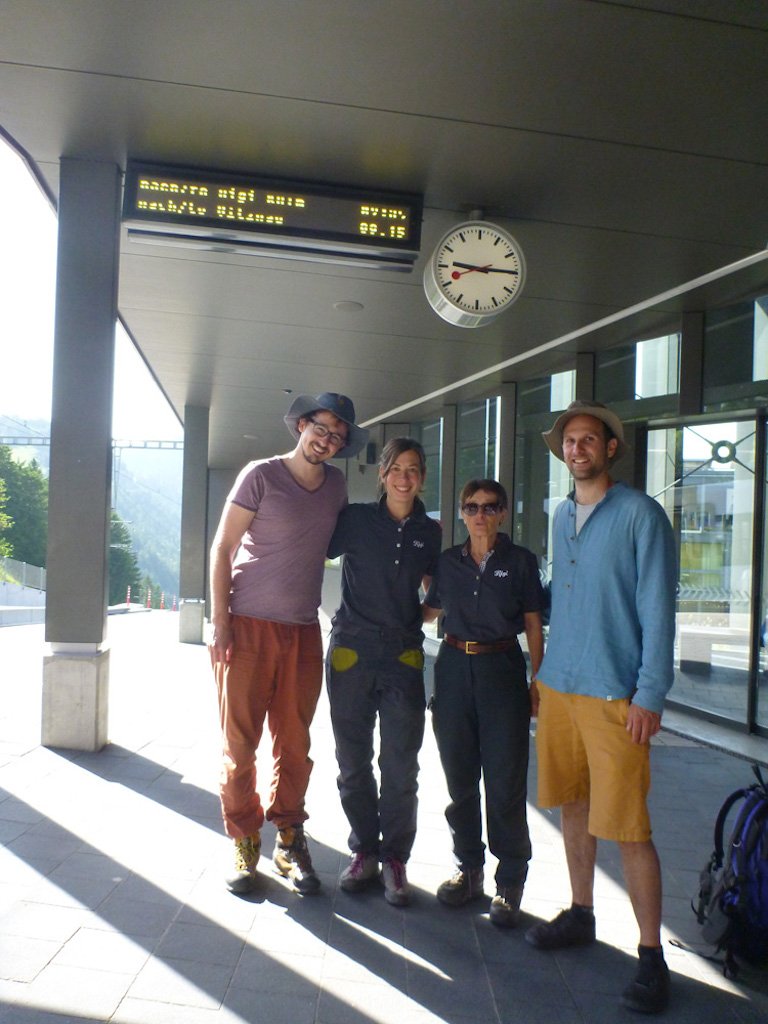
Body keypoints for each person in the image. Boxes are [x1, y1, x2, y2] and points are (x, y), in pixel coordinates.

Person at [525, 400, 677, 1015]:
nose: (577, 448)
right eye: (569, 441)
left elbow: (658, 609)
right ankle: (582, 912)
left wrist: (650, 693)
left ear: (610, 448)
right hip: (560, 686)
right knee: (573, 806)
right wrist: (541, 672)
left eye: (589, 440)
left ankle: (651, 957)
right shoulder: (562, 515)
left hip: (618, 695)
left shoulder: (642, 515)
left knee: (631, 828)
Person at [209, 392, 368, 895]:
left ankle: (289, 838)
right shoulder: (261, 473)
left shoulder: (336, 486)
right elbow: (223, 547)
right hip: (247, 624)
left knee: (296, 744)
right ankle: (244, 839)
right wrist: (220, 621)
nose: (327, 440)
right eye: (321, 428)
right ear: (302, 425)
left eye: (338, 436)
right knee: (241, 745)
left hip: (302, 630)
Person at [423, 479, 544, 927]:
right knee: (459, 776)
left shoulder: (520, 562)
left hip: (502, 670)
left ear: (503, 514)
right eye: (471, 507)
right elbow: (429, 610)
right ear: (461, 513)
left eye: (489, 507)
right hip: (452, 667)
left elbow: (533, 622)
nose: (480, 515)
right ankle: (468, 868)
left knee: (505, 780)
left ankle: (510, 879)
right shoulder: (448, 562)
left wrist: (539, 680)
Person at [326, 438, 442, 906]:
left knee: (400, 765)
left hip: (404, 654)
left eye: (413, 469)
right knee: (352, 761)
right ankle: (364, 853)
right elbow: (310, 545)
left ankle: (395, 859)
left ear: (422, 477)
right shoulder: (354, 519)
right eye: (396, 468)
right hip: (350, 650)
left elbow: (437, 588)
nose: (404, 477)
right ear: (383, 474)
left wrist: (425, 612)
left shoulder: (428, 533)